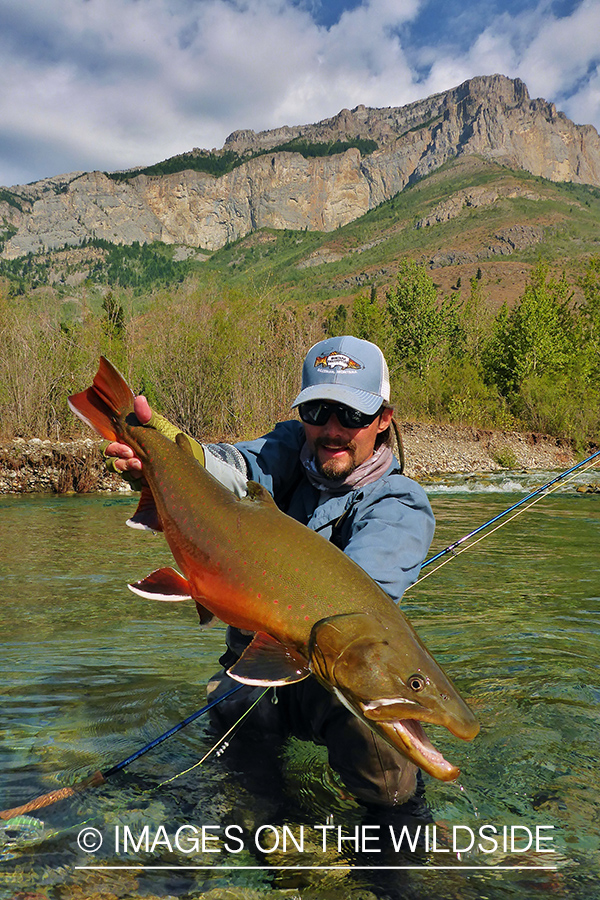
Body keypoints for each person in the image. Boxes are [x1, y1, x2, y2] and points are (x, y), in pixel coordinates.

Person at [105, 335, 435, 809]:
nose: (333, 429)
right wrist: (169, 455)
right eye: (318, 412)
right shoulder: (287, 449)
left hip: (331, 684)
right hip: (252, 672)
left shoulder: (401, 505)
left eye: (354, 415)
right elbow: (233, 470)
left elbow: (347, 619)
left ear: (384, 419)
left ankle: (388, 860)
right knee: (242, 785)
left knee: (389, 780)